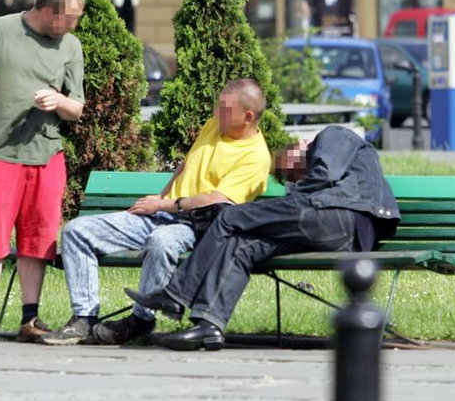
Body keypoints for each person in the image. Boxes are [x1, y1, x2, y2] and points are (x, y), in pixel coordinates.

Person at [125, 125, 401, 351]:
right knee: (241, 245)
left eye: (293, 170)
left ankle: (175, 294)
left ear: (301, 145)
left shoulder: (333, 134)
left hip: (341, 215)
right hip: (335, 229)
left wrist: (298, 194)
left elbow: (325, 172)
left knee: (228, 217)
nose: (297, 177)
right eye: (293, 177)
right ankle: (209, 325)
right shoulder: (318, 178)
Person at [40, 78, 272, 346]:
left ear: (248, 116)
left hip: (197, 226)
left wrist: (162, 205)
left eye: (225, 109)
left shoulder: (256, 156)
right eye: (218, 106)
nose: (216, 113)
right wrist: (161, 195)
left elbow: (216, 201)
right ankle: (84, 318)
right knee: (77, 231)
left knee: (162, 240)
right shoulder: (215, 125)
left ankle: (141, 319)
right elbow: (186, 165)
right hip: (162, 211)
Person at [0, 0, 86, 345]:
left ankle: (30, 319)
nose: (75, 25)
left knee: (38, 239)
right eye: (71, 18)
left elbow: (76, 107)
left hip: (46, 154)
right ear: (48, 11)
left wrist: (57, 101)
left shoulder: (71, 46)